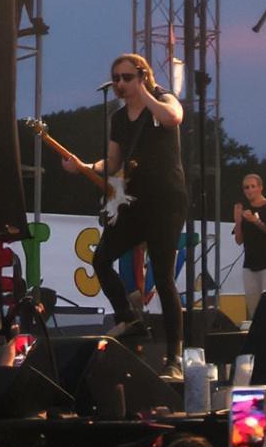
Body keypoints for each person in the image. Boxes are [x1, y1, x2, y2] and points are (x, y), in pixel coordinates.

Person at [64, 52, 189, 372]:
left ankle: (174, 356)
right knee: (101, 259)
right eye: (116, 78)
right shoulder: (119, 119)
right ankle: (128, 318)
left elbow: (174, 118)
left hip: (165, 201)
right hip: (133, 203)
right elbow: (113, 163)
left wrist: (146, 93)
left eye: (126, 77)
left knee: (163, 277)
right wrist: (84, 167)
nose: (119, 83)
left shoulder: (162, 99)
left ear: (143, 77)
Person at [231, 174, 266, 311]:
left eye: (252, 186)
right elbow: (238, 240)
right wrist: (238, 221)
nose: (249, 190)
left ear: (260, 188)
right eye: (246, 187)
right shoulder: (246, 211)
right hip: (250, 264)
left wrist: (257, 222)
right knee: (253, 306)